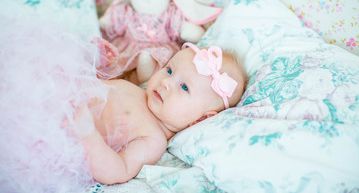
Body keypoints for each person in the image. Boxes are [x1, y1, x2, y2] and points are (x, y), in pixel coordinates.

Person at [67, 42, 247, 185]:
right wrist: (103, 64)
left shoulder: (153, 139)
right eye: (169, 70)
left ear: (201, 118)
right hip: (62, 97)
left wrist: (87, 134)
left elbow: (118, 171)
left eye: (184, 87)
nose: (166, 82)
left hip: (66, 135)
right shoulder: (138, 89)